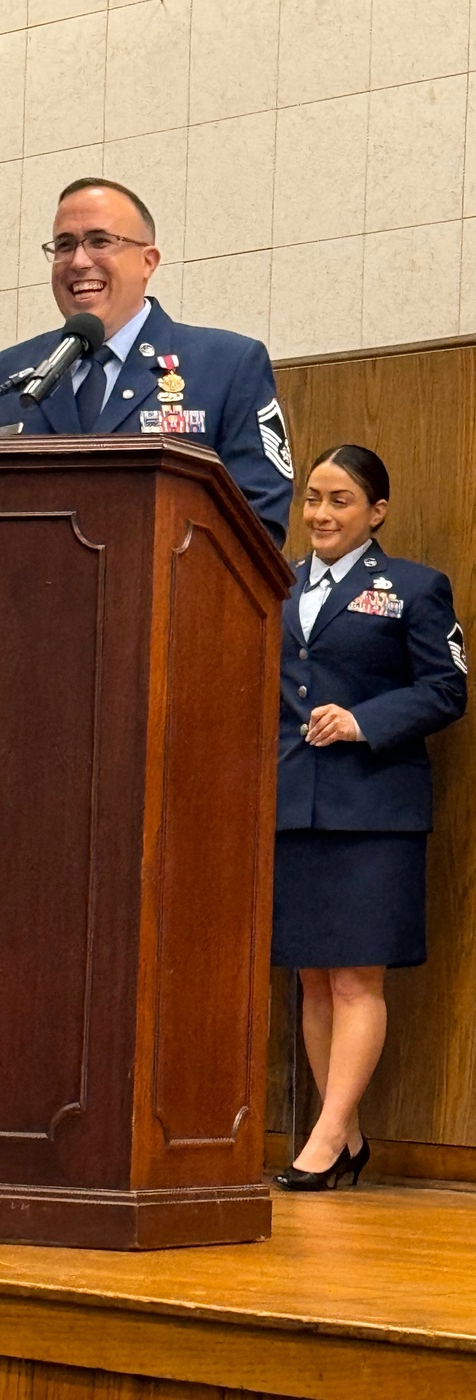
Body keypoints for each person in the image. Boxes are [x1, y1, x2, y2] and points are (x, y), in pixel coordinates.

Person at [273, 444, 466, 1190]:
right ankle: (343, 1132)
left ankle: (324, 1139)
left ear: (375, 512)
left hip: (373, 809)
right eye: (312, 498)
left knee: (357, 980)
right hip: (294, 805)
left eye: (340, 500)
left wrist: (362, 720)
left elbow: (447, 689)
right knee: (314, 979)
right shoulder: (276, 584)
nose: (320, 514)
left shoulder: (416, 588)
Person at [0, 176, 293, 547]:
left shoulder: (226, 367)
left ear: (148, 261)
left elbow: (259, 527)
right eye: (65, 245)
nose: (79, 261)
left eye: (100, 241)